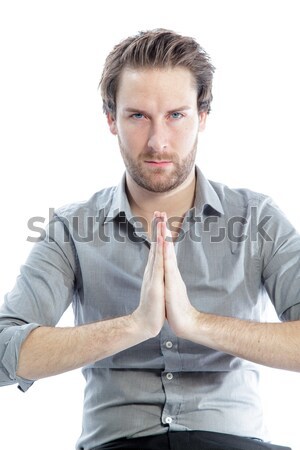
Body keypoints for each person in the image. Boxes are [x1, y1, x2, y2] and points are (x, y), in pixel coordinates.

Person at [0, 28, 298, 450]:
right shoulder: (70, 228)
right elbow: (3, 353)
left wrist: (196, 323)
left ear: (203, 116)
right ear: (110, 119)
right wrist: (135, 326)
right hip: (118, 442)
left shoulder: (259, 219)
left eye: (176, 115)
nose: (158, 141)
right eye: (138, 116)